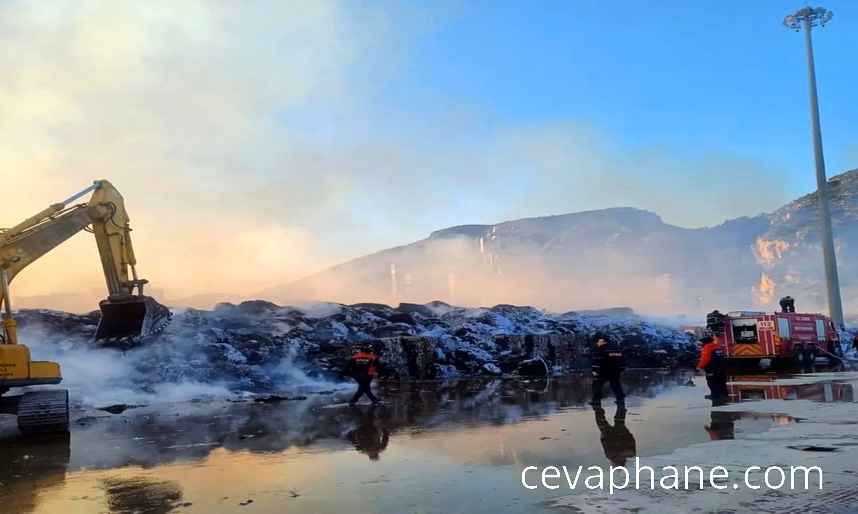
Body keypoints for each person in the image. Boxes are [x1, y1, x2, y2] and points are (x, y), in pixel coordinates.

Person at [590, 333, 626, 406]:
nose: (597, 343)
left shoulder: (601, 348)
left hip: (604, 370)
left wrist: (595, 371)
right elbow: (622, 359)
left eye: (598, 341)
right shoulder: (616, 348)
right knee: (615, 384)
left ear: (602, 341)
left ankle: (596, 401)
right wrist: (621, 369)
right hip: (616, 370)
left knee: (597, 384)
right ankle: (620, 400)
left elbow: (597, 361)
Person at [697, 335, 728, 404]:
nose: (701, 344)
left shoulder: (707, 347)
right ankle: (724, 395)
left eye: (702, 343)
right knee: (722, 382)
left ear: (705, 342)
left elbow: (705, 359)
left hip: (712, 368)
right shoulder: (717, 347)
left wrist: (700, 367)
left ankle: (715, 395)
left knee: (712, 382)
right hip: (722, 368)